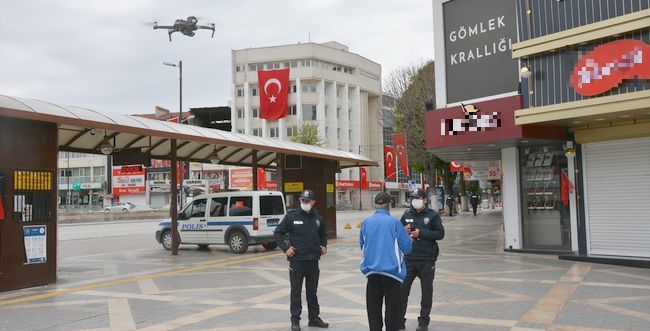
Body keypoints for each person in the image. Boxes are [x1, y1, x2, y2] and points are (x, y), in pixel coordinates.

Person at [274, 189, 329, 331]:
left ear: (313, 202)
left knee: (312, 292)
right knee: (296, 292)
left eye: (307, 201)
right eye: (302, 200)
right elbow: (278, 232)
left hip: (313, 261)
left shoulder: (318, 217)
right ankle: (295, 321)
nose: (304, 203)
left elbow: (323, 234)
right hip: (297, 262)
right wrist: (286, 248)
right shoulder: (291, 216)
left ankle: (314, 318)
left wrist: (323, 246)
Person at [360, 192, 412, 331]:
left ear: (375, 205)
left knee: (373, 309)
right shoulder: (394, 222)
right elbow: (407, 248)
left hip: (371, 272)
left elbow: (362, 245)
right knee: (392, 311)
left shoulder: (366, 223)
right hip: (392, 273)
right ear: (389, 205)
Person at [400, 189, 445, 331]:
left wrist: (421, 232)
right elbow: (398, 233)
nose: (415, 200)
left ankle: (423, 322)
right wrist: (404, 231)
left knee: (426, 292)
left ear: (424, 199)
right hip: (409, 259)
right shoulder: (406, 215)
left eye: (417, 197)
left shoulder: (432, 216)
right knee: (402, 291)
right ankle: (399, 320)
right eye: (413, 198)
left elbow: (440, 234)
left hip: (427, 259)